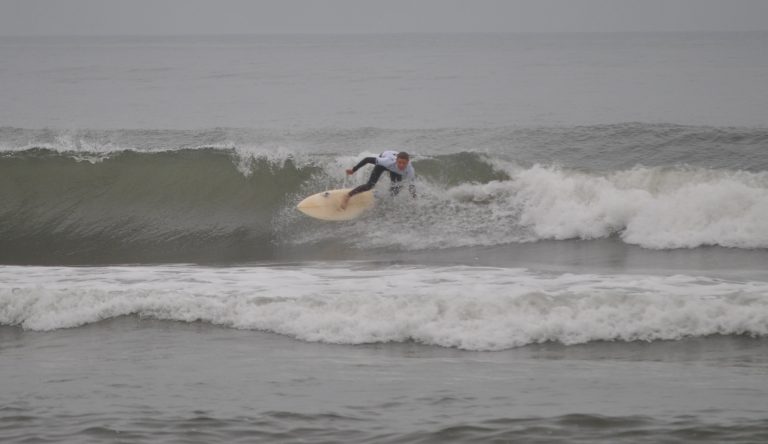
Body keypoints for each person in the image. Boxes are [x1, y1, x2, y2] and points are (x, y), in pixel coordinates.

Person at [340, 151, 416, 209]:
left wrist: (414, 198)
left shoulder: (410, 170)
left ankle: (379, 200)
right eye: (399, 162)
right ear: (396, 161)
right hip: (385, 158)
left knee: (395, 190)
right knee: (370, 185)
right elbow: (367, 159)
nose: (401, 165)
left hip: (394, 167)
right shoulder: (387, 161)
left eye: (404, 163)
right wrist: (353, 170)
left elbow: (411, 186)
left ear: (407, 162)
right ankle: (347, 196)